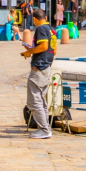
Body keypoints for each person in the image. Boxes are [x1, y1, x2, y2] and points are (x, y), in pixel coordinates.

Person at [20, 8, 56, 140]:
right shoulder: (52, 30)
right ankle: (45, 127)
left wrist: (30, 52)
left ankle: (44, 130)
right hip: (46, 66)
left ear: (35, 19)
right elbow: (53, 50)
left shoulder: (41, 29)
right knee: (42, 101)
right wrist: (31, 49)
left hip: (39, 68)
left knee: (34, 101)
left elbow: (44, 46)